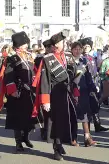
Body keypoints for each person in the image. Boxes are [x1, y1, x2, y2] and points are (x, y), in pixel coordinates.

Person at [32, 32, 79, 160]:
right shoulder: (47, 59)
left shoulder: (69, 56)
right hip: (55, 95)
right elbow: (45, 80)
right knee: (55, 122)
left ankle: (61, 143)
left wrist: (75, 90)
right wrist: (45, 100)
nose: (65, 43)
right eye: (62, 42)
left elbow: (74, 74)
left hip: (67, 94)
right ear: (56, 45)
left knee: (66, 121)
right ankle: (56, 147)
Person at [2, 31, 36, 152]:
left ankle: (25, 137)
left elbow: (34, 72)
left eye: (26, 43)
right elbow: (8, 76)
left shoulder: (29, 57)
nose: (26, 46)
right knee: (18, 119)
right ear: (18, 46)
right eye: (24, 44)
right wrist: (12, 90)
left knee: (29, 118)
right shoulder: (13, 58)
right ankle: (18, 142)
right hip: (18, 92)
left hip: (29, 92)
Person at [71, 41, 97, 147]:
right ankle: (73, 137)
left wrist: (92, 89)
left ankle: (87, 137)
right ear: (72, 49)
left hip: (84, 90)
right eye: (75, 49)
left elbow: (88, 76)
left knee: (85, 114)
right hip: (72, 90)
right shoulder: (68, 60)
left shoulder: (84, 60)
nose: (77, 51)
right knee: (74, 115)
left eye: (79, 49)